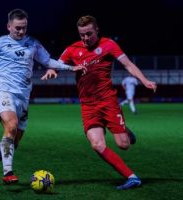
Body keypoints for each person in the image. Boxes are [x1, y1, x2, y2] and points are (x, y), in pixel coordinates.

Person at [0, 8, 86, 185]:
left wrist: (71, 68)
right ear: (8, 26)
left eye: (24, 27)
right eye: (17, 28)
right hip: (4, 90)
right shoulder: (0, 43)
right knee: (11, 126)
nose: (21, 31)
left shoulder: (33, 43)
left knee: (12, 142)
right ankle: (8, 172)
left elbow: (48, 61)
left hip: (23, 96)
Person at [42, 15, 157, 190]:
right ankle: (132, 177)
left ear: (97, 30)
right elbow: (57, 65)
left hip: (108, 101)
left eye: (89, 34)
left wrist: (145, 80)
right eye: (82, 35)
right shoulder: (72, 49)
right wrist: (51, 71)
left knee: (123, 145)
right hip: (88, 105)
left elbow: (128, 65)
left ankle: (124, 130)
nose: (85, 38)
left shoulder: (109, 44)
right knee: (97, 144)